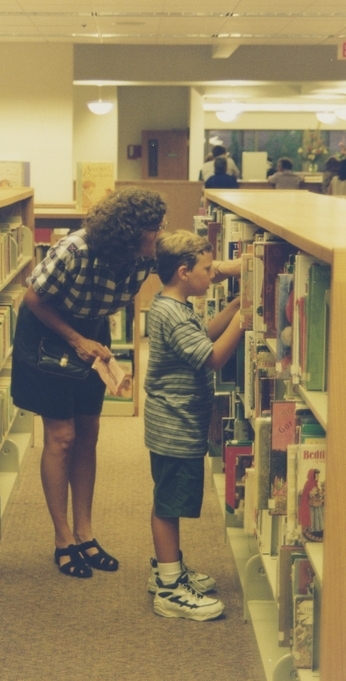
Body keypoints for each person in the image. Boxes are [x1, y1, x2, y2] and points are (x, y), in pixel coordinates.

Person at [11, 187, 167, 578]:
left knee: (89, 431)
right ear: (130, 231)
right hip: (48, 331)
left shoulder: (145, 256)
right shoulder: (75, 250)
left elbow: (188, 265)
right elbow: (32, 300)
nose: (160, 233)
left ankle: (85, 533)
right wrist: (76, 339)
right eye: (155, 227)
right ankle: (62, 538)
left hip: (91, 334)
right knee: (61, 436)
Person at [144, 230, 244, 620]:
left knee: (169, 498)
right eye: (207, 269)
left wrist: (236, 304)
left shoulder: (173, 306)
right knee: (169, 504)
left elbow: (203, 336)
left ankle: (169, 568)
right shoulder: (172, 313)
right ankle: (169, 588)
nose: (213, 275)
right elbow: (212, 357)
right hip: (175, 425)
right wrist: (246, 317)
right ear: (184, 272)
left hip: (175, 421)